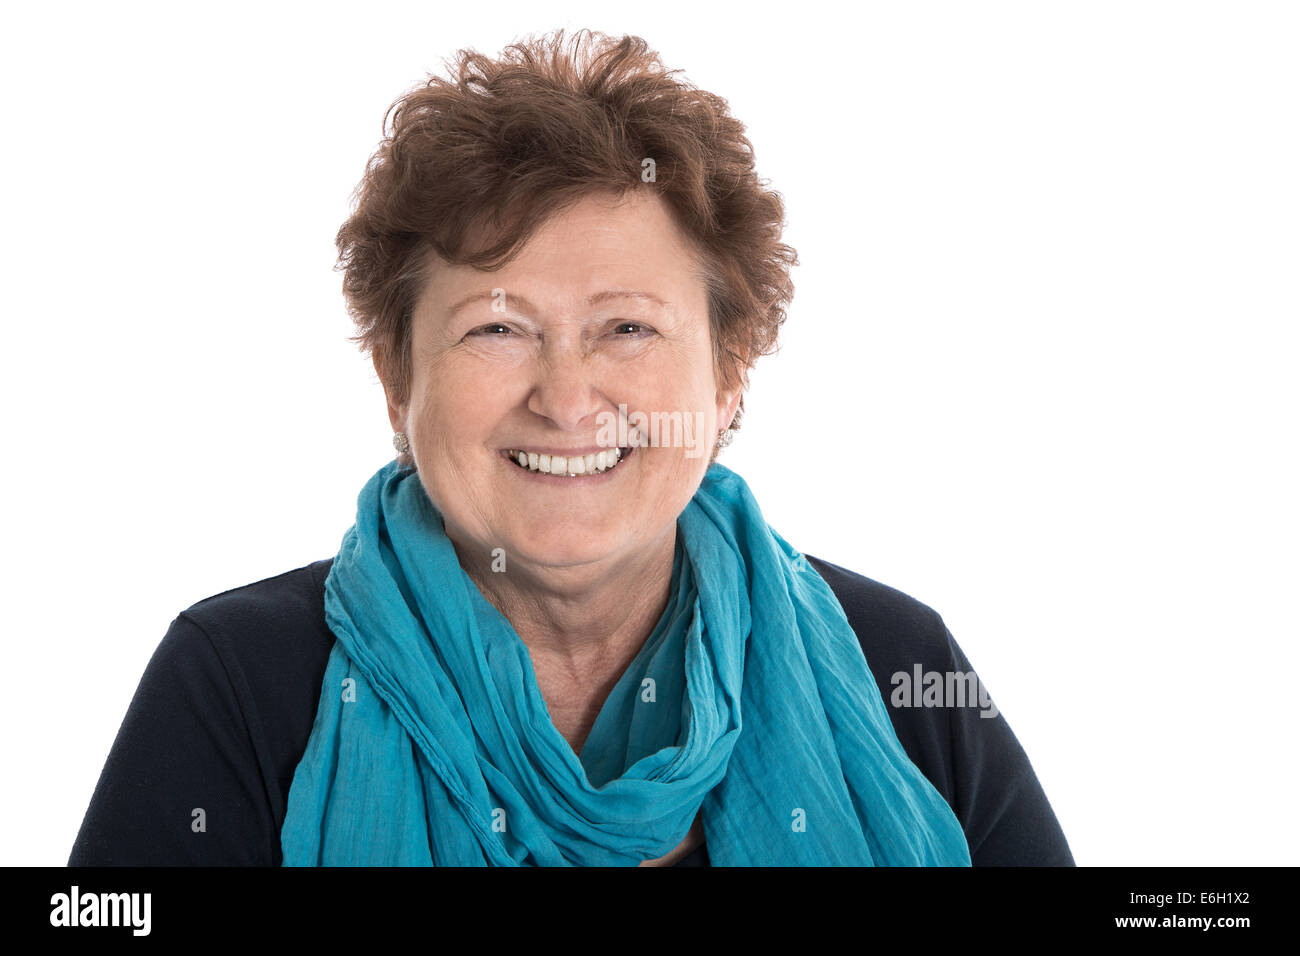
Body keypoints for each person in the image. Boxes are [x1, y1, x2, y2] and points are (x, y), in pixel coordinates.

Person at [69, 29, 1073, 867]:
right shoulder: (239, 682)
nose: (566, 398)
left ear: (727, 378)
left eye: (627, 328)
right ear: (395, 378)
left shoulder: (900, 664)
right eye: (495, 330)